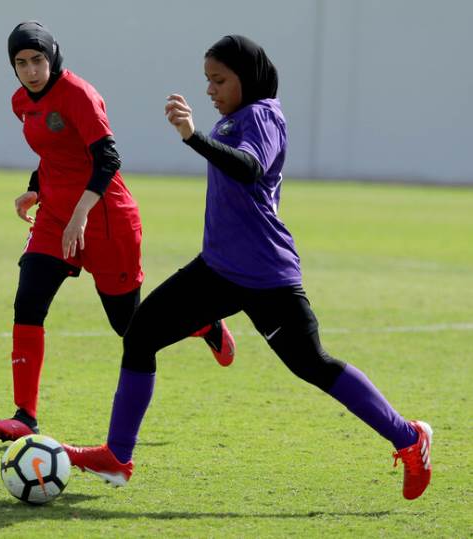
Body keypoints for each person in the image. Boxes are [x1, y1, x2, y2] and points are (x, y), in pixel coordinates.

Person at [63, 35, 432, 501]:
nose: (211, 91)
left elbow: (249, 168)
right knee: (141, 334)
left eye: (219, 80)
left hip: (264, 274)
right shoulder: (234, 117)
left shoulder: (262, 115)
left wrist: (193, 136)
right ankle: (117, 457)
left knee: (312, 364)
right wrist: (200, 134)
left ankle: (410, 437)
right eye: (207, 82)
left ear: (248, 77)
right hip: (218, 268)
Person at [0, 22, 236, 442]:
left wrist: (81, 214)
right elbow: (54, 154)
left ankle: (203, 325)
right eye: (21, 63)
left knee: (130, 326)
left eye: (38, 61)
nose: (30, 71)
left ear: (53, 56)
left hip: (105, 218)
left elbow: (107, 158)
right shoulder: (20, 102)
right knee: (28, 300)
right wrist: (34, 190)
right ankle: (25, 416)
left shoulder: (78, 94)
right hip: (55, 217)